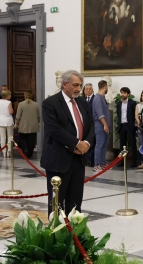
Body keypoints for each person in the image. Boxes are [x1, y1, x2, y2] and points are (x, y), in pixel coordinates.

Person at [41, 70, 94, 215]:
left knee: (76, 201)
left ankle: (75, 234)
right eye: (75, 85)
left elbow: (90, 125)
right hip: (58, 159)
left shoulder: (82, 102)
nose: (78, 89)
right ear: (65, 84)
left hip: (78, 159)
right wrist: (77, 143)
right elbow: (54, 129)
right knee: (57, 203)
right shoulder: (50, 103)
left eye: (80, 85)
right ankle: (57, 234)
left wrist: (87, 144)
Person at [116, 87, 138, 168]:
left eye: (124, 93)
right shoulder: (118, 103)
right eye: (121, 93)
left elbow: (134, 114)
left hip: (130, 126)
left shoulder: (132, 103)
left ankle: (134, 161)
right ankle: (121, 161)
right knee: (122, 144)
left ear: (128, 94)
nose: (123, 94)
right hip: (122, 125)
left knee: (132, 144)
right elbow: (118, 114)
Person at [92, 80, 111, 172]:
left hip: (105, 125)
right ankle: (97, 164)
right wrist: (105, 125)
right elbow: (100, 114)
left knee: (104, 144)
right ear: (105, 87)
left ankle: (102, 163)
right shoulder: (98, 98)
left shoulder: (102, 98)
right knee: (99, 144)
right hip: (100, 125)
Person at [15, 90, 40, 158]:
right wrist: (38, 122)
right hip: (33, 124)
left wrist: (16, 122)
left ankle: (25, 149)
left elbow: (18, 115)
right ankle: (30, 152)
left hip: (23, 124)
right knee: (31, 139)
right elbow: (38, 116)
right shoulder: (36, 104)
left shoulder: (21, 104)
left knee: (23, 138)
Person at [0, 90, 14, 158]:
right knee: (10, 136)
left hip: (1, 120)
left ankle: (4, 153)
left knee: (2, 137)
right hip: (8, 120)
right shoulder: (9, 102)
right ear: (7, 96)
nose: (10, 96)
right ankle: (9, 151)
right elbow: (10, 112)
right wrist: (13, 110)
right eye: (10, 94)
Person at [82, 83, 95, 167]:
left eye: (90, 89)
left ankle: (91, 160)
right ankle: (86, 159)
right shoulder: (82, 99)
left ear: (92, 90)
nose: (88, 90)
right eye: (86, 89)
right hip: (84, 124)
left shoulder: (95, 99)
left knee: (92, 142)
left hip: (93, 123)